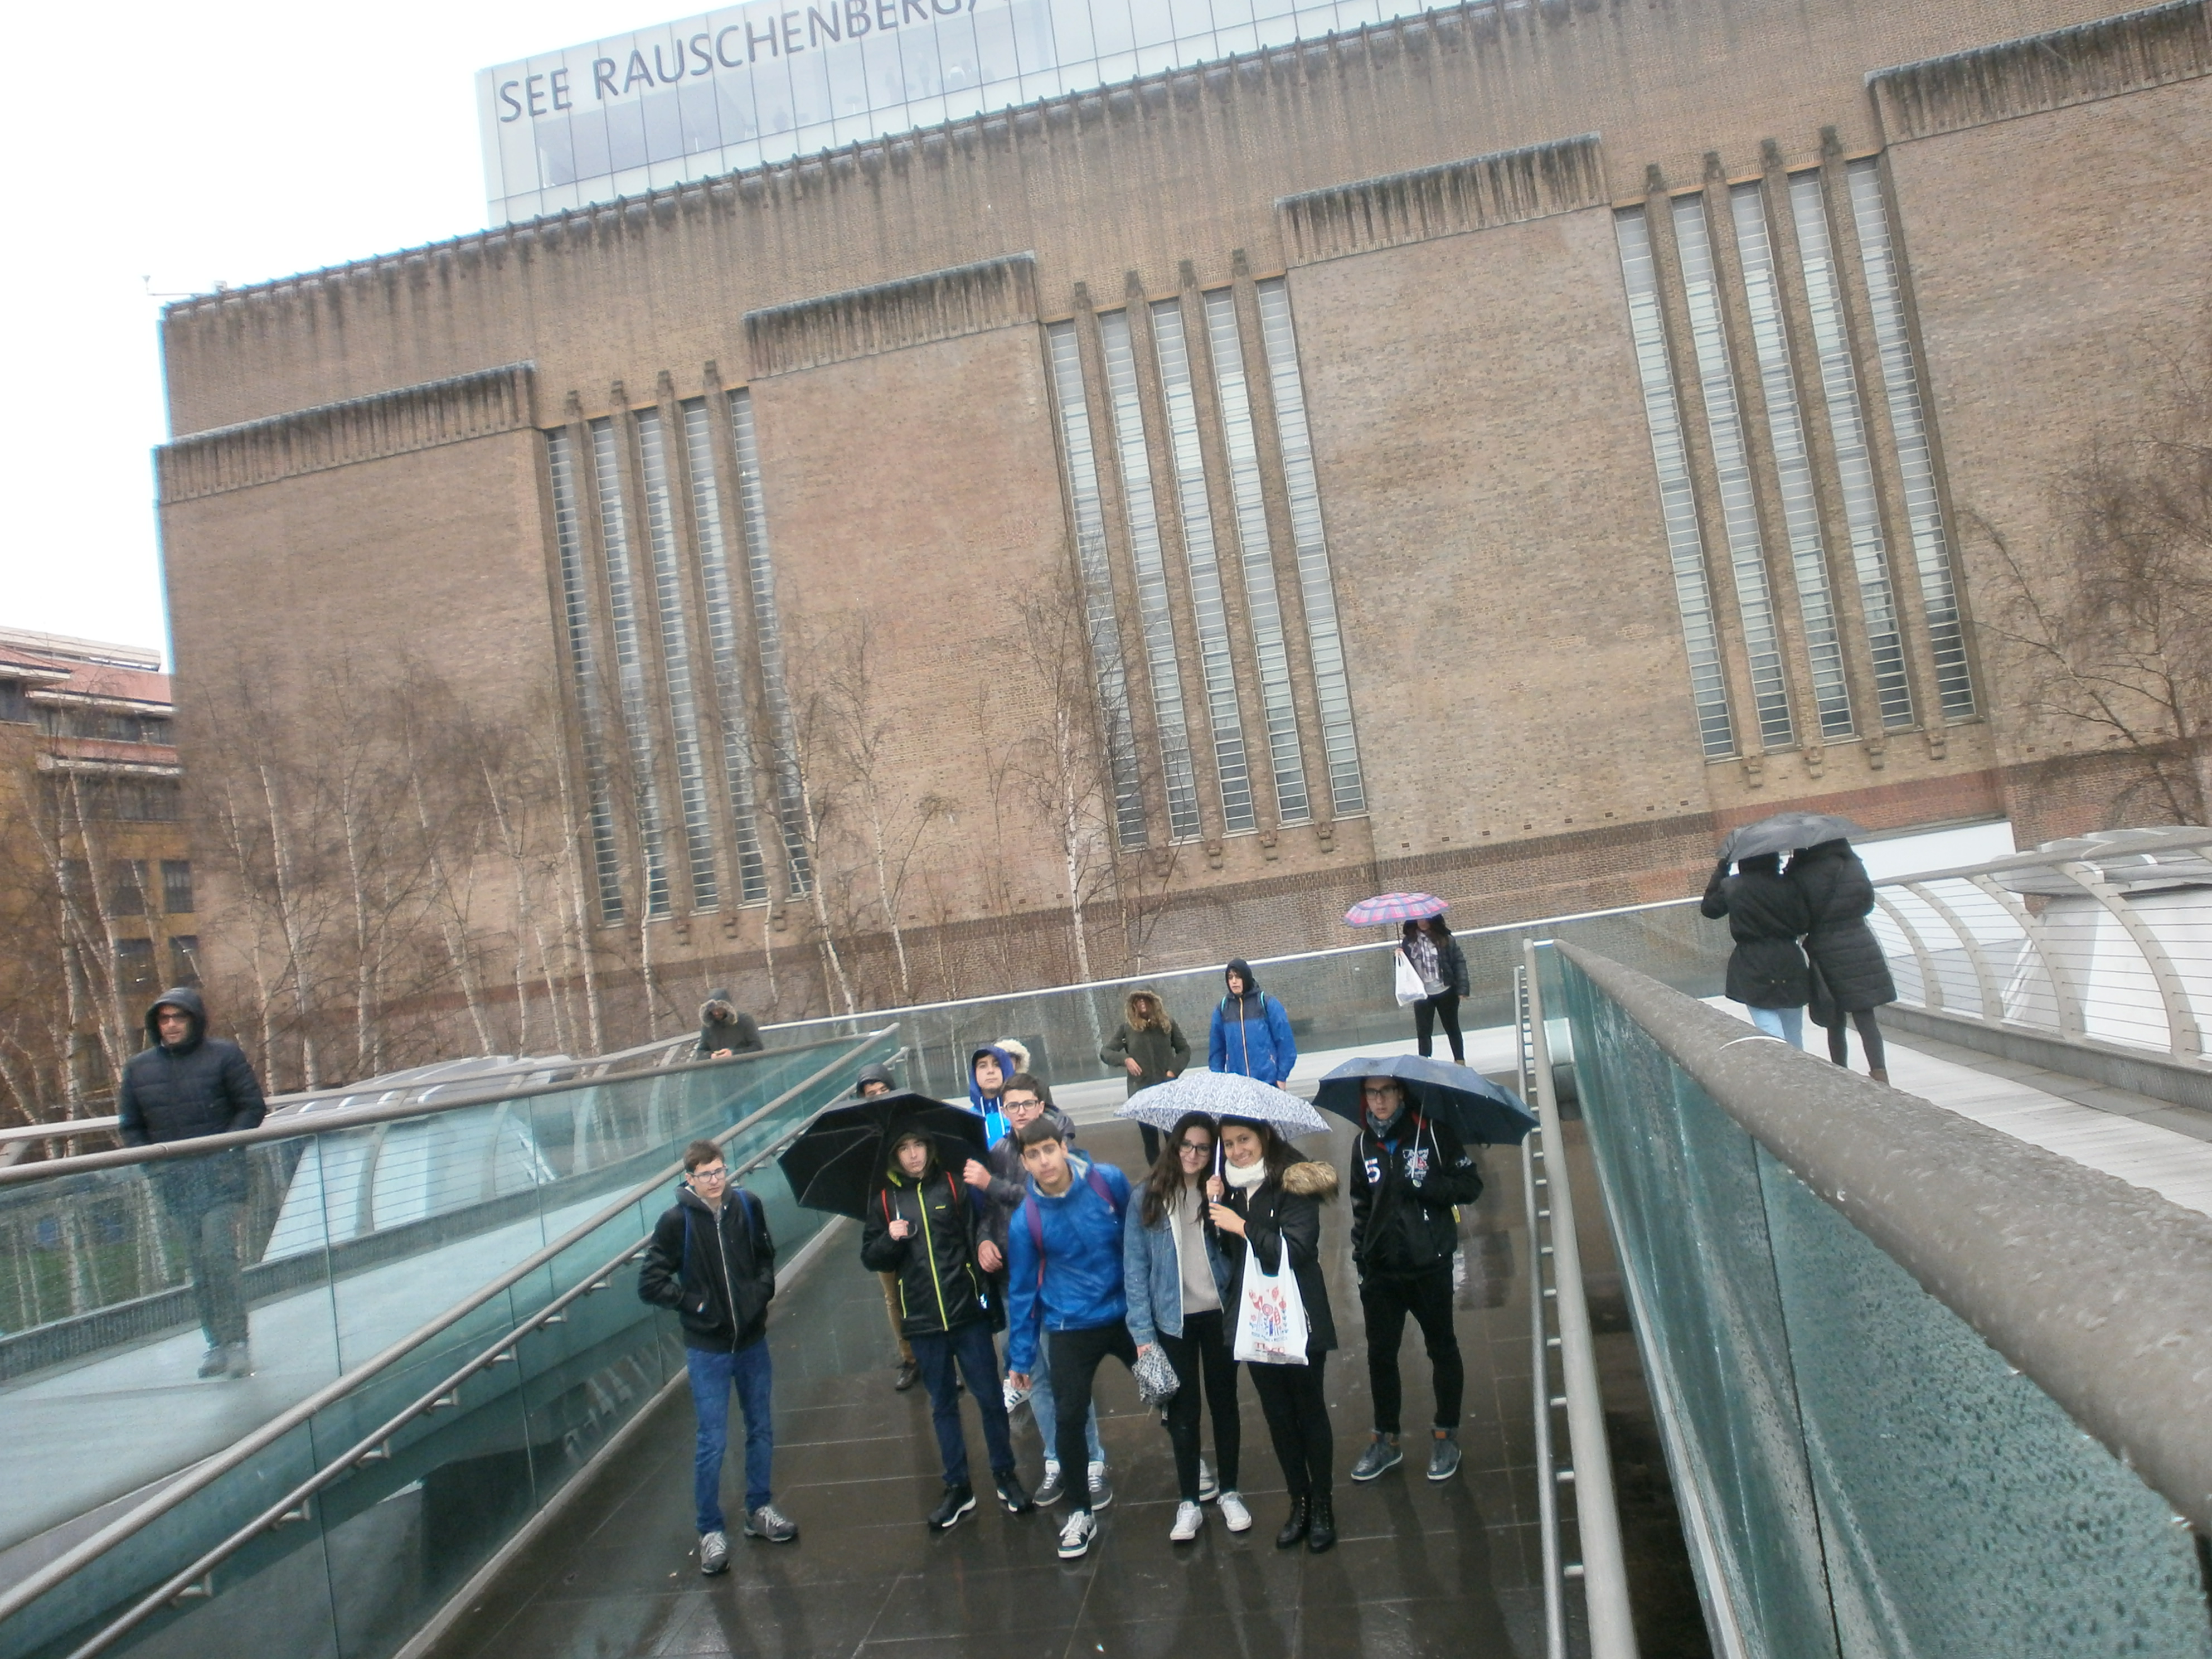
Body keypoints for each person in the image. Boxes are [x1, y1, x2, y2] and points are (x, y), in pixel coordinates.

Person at [638, 1139, 797, 1574]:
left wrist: (760, 1294)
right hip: (707, 1347)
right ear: (689, 1178)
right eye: (706, 1174)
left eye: (720, 1171)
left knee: (760, 1426)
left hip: (750, 1339)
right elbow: (650, 1282)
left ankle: (759, 1507)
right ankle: (709, 1528)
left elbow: (764, 1256)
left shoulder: (746, 1205)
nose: (714, 1181)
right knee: (713, 1440)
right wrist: (695, 1304)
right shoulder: (677, 1221)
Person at [861, 1129, 1034, 1527]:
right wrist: (890, 1239)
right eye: (904, 1148)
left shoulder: (954, 1187)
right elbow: (871, 1257)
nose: (913, 1155)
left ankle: (1005, 1474)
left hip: (966, 1313)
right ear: (895, 1156)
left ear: (930, 1148)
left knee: (990, 1399)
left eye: (918, 1146)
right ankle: (958, 1486)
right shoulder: (885, 1201)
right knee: (942, 1405)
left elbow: (976, 1235)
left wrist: (989, 1305)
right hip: (922, 1320)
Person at [964, 1074, 1106, 1508]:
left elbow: (1041, 1198)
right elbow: (988, 1214)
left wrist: (989, 1183)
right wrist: (983, 1241)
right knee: (1034, 1377)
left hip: (1054, 1279)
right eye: (1012, 1106)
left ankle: (1091, 1460)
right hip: (1014, 1281)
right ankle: (1056, 1458)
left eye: (1027, 1103)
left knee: (1068, 1381)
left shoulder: (1060, 1145)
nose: (1021, 1112)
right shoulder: (999, 1152)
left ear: (1042, 1105)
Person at [1003, 1114, 1137, 1561]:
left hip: (1124, 1315)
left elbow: (1137, 1239)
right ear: (1025, 1162)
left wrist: (1148, 1306)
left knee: (1167, 1392)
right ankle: (1081, 1511)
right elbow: (1022, 1292)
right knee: (1069, 1418)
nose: (1044, 1161)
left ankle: (1192, 1477)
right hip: (1069, 1325)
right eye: (1033, 1155)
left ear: (1063, 1147)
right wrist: (1021, 1358)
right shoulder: (1026, 1220)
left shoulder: (1107, 1182)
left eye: (1049, 1149)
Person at [117, 987, 267, 1380]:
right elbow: (131, 1126)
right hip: (176, 1184)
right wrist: (153, 1165)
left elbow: (251, 1107)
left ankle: (236, 1342)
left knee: (220, 1256)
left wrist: (226, 1150)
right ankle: (216, 1343)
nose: (171, 1025)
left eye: (178, 1017)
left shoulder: (224, 1055)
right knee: (199, 1265)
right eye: (164, 1018)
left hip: (223, 1179)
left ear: (194, 1020)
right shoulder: (139, 1068)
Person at [1210, 1116, 1340, 1551]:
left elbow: (1298, 1249)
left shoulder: (1293, 1180)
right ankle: (1298, 1502)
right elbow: (1227, 1255)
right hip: (1254, 1319)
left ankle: (1322, 1504)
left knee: (1309, 1410)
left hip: (1297, 1315)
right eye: (1229, 1143)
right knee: (1278, 1415)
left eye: (1244, 1139)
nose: (1236, 1151)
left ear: (1264, 1136)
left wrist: (1241, 1225)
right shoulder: (1227, 1188)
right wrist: (1213, 1210)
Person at [1347, 1076, 1482, 1484]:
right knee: (1380, 1355)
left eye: (1386, 1091)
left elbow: (1471, 1185)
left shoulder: (1434, 1135)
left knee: (1442, 1348)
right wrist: (1362, 1260)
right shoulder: (1362, 1145)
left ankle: (1446, 1434)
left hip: (1429, 1266)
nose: (1379, 1100)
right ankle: (1385, 1439)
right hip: (1382, 1271)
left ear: (1401, 1093)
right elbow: (1361, 1206)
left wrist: (1431, 1185)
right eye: (1371, 1093)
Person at [1124, 1110, 1251, 1541]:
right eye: (1187, 1145)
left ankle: (1230, 1491)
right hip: (1172, 1320)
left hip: (1219, 1314)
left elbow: (1238, 1250)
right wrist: (1142, 1335)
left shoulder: (1224, 1190)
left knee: (1224, 1402)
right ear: (1174, 1145)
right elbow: (1135, 1268)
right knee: (1183, 1411)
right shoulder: (1148, 1196)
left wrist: (1223, 1205)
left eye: (1203, 1148)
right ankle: (1189, 1502)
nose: (1194, 1154)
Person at [1788, 839, 1897, 1083]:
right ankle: (1880, 1074)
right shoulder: (1852, 864)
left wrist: (1792, 871)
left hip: (1825, 947)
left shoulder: (1803, 872)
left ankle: (1842, 1074)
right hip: (1861, 941)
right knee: (1865, 1015)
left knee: (1834, 1018)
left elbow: (1801, 919)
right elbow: (1867, 904)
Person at [853, 1065, 922, 1392]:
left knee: (930, 1286)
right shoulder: (861, 1135)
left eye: (884, 1091)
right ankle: (910, 1358)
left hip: (921, 1215)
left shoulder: (913, 1123)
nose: (879, 1098)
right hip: (886, 1223)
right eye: (871, 1095)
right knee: (894, 1296)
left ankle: (941, 1359)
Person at [1701, 852, 1812, 1048]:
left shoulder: (1733, 886)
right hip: (1788, 957)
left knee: (1768, 1028)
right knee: (1793, 1029)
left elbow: (1710, 910)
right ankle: (1799, 1063)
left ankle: (1781, 1062)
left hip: (1752, 959)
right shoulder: (1789, 884)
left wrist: (1722, 870)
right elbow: (1804, 923)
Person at [1100, 988, 1192, 1164]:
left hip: (1167, 1090)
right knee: (1150, 1142)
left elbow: (1184, 1050)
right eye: (1137, 999)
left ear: (1154, 1001)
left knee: (1173, 1137)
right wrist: (1125, 1059)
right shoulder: (1127, 1028)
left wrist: (1173, 1071)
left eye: (1145, 998)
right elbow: (1106, 1052)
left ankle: (1177, 1172)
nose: (1141, 1002)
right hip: (1142, 1092)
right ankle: (1157, 1176)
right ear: (1133, 1005)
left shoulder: (1168, 1025)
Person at [1208, 958, 1297, 1088]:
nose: (1234, 981)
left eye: (1238, 977)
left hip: (1268, 1081)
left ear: (1246, 977)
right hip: (1237, 1085)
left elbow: (1285, 1042)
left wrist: (1281, 1076)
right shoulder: (1222, 1009)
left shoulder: (1267, 1003)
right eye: (1230, 977)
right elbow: (1217, 1050)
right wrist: (1220, 1080)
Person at [1398, 918, 1471, 1065]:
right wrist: (1399, 956)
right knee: (1424, 1032)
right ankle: (1425, 1063)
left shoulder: (1446, 939)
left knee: (1452, 1027)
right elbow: (1404, 969)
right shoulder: (1409, 942)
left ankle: (1460, 1061)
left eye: (1425, 919)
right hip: (1422, 993)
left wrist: (1463, 988)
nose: (1422, 922)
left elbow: (1458, 962)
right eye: (1419, 919)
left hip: (1445, 990)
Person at [697, 989, 764, 1059]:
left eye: (720, 1009)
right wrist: (711, 1056)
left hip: (745, 1064)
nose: (716, 1013)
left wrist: (733, 1054)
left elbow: (758, 1047)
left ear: (727, 1008)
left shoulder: (744, 1021)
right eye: (713, 1010)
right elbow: (700, 1052)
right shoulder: (708, 1025)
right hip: (719, 1065)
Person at [966, 1043, 1020, 1119]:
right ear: (975, 1074)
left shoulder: (1023, 1114)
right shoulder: (968, 1119)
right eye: (983, 1066)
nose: (990, 1071)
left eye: (997, 1065)